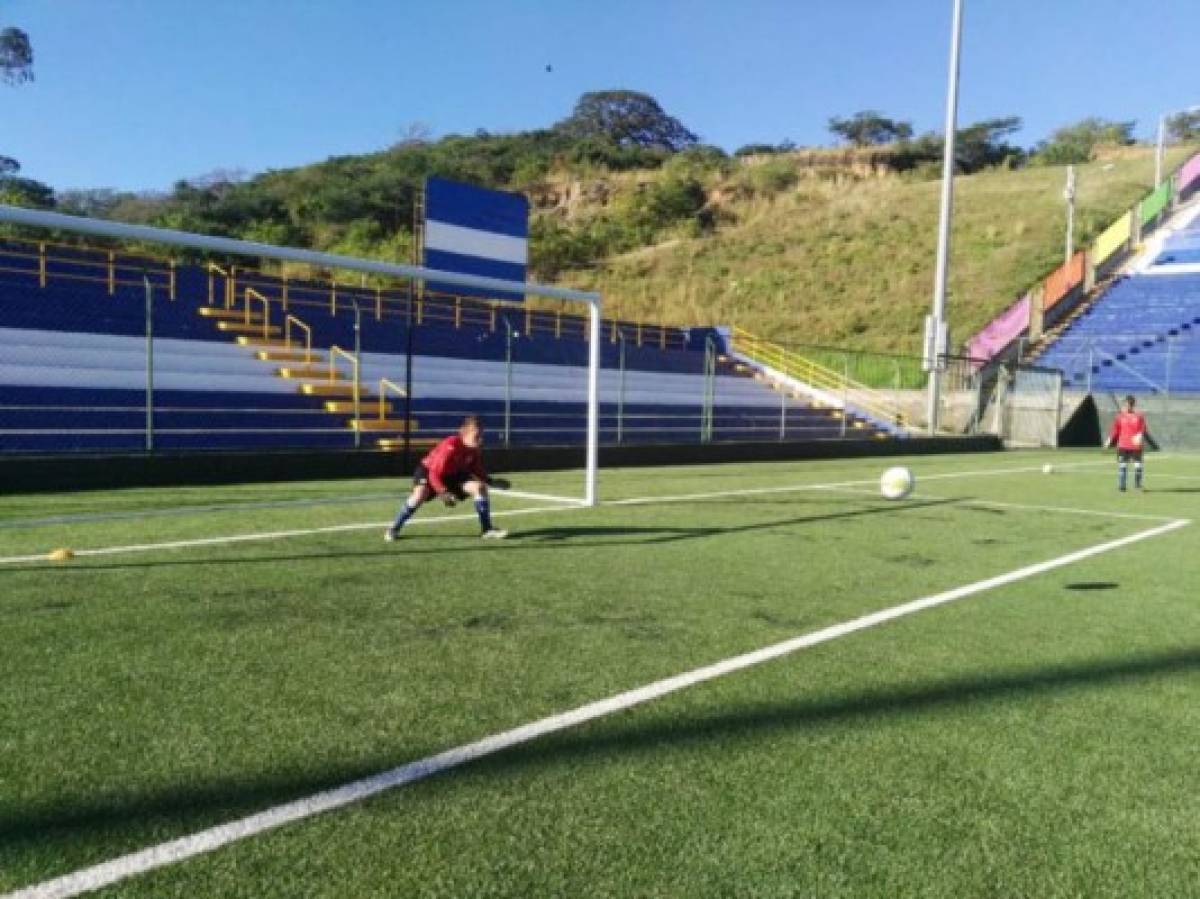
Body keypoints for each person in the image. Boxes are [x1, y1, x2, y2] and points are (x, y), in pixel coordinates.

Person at [385, 415, 511, 541]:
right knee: (420, 494)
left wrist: (490, 481)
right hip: (428, 471)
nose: (480, 439)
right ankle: (394, 528)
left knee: (479, 488)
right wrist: (443, 492)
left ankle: (487, 530)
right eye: (477, 436)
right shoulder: (451, 445)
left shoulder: (474, 448)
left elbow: (475, 468)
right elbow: (434, 473)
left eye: (481, 435)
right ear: (465, 434)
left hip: (453, 473)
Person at [1104, 395, 1158, 491]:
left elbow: (1143, 429)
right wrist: (1109, 440)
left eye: (1127, 403)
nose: (1125, 405)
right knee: (1122, 465)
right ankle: (1122, 486)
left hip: (1136, 446)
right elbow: (1115, 431)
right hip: (1123, 445)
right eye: (1125, 404)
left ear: (1132, 404)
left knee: (1138, 465)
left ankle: (1137, 486)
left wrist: (1139, 436)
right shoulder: (1119, 417)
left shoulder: (1139, 416)